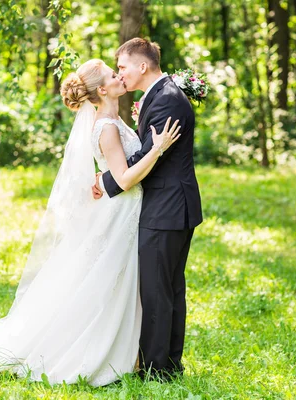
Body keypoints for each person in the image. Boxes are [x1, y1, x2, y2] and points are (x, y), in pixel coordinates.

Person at [0, 58, 181, 387]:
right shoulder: (107, 127)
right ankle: (90, 351)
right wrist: (156, 149)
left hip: (127, 212)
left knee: (117, 284)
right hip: (121, 212)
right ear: (102, 89)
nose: (120, 77)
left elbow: (117, 169)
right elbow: (126, 179)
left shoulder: (113, 120)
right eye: (114, 75)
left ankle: (128, 352)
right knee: (106, 283)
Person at [92, 38, 203, 380]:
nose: (120, 74)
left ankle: (158, 370)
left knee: (158, 291)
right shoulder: (159, 94)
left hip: (167, 208)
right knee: (167, 288)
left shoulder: (166, 100)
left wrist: (107, 181)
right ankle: (168, 364)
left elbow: (148, 158)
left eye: (122, 67)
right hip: (169, 206)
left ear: (142, 66)